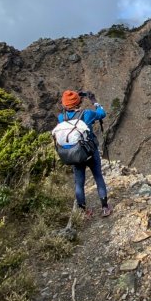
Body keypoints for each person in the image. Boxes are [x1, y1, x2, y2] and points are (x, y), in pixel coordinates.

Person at [58, 89, 112, 217]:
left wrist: (74, 99)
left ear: (64, 104)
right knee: (98, 176)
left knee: (79, 182)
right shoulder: (86, 114)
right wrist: (94, 101)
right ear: (78, 102)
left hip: (74, 153)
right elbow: (102, 113)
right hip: (89, 151)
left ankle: (84, 212)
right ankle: (105, 207)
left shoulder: (61, 118)